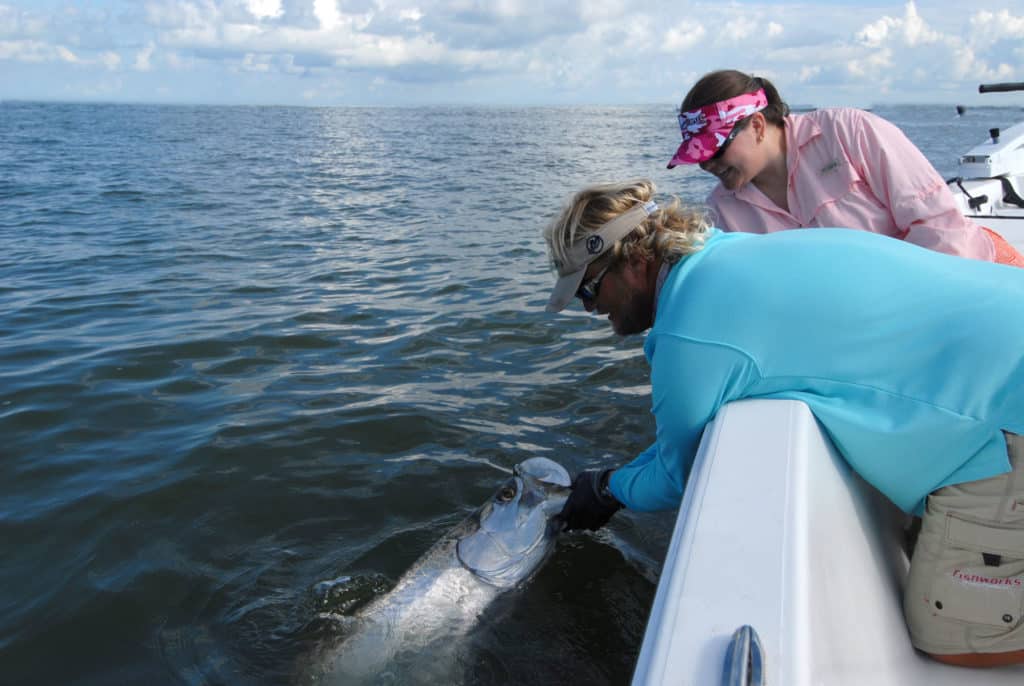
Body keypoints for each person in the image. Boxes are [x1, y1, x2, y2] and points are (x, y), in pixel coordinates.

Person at [544, 179, 1024, 667]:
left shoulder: (689, 337)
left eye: (588, 288)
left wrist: (606, 489)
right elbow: (681, 439)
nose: (589, 308)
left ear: (634, 261)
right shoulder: (727, 253)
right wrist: (614, 480)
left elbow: (676, 476)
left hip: (1005, 411)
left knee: (952, 636)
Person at [666, 69, 1024, 266]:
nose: (707, 164)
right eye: (698, 156)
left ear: (758, 125)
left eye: (716, 149)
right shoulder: (724, 209)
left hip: (976, 275)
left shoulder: (849, 131)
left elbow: (939, 227)